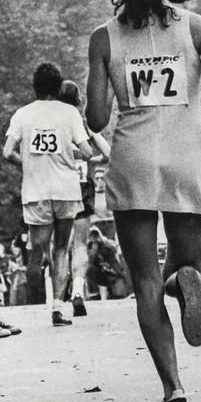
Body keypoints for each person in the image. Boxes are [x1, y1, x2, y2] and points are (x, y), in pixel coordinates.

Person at [85, 0, 201, 402]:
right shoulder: (195, 27)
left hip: (131, 160)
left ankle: (173, 389)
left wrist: (106, 83)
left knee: (146, 281)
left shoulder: (104, 37)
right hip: (184, 156)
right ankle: (185, 279)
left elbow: (95, 117)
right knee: (180, 268)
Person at [3, 62, 94, 327]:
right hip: (66, 189)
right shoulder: (69, 113)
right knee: (62, 249)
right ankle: (58, 307)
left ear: (34, 86)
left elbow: (7, 152)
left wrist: (28, 164)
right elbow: (87, 152)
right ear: (58, 86)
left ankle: (36, 287)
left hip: (35, 190)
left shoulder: (22, 114)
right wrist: (68, 155)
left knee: (40, 246)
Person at [57, 79, 111, 317]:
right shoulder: (83, 124)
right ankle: (78, 290)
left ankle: (57, 301)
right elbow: (108, 153)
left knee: (59, 246)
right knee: (80, 243)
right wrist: (92, 160)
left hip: (58, 186)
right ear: (78, 100)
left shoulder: (53, 123)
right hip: (83, 188)